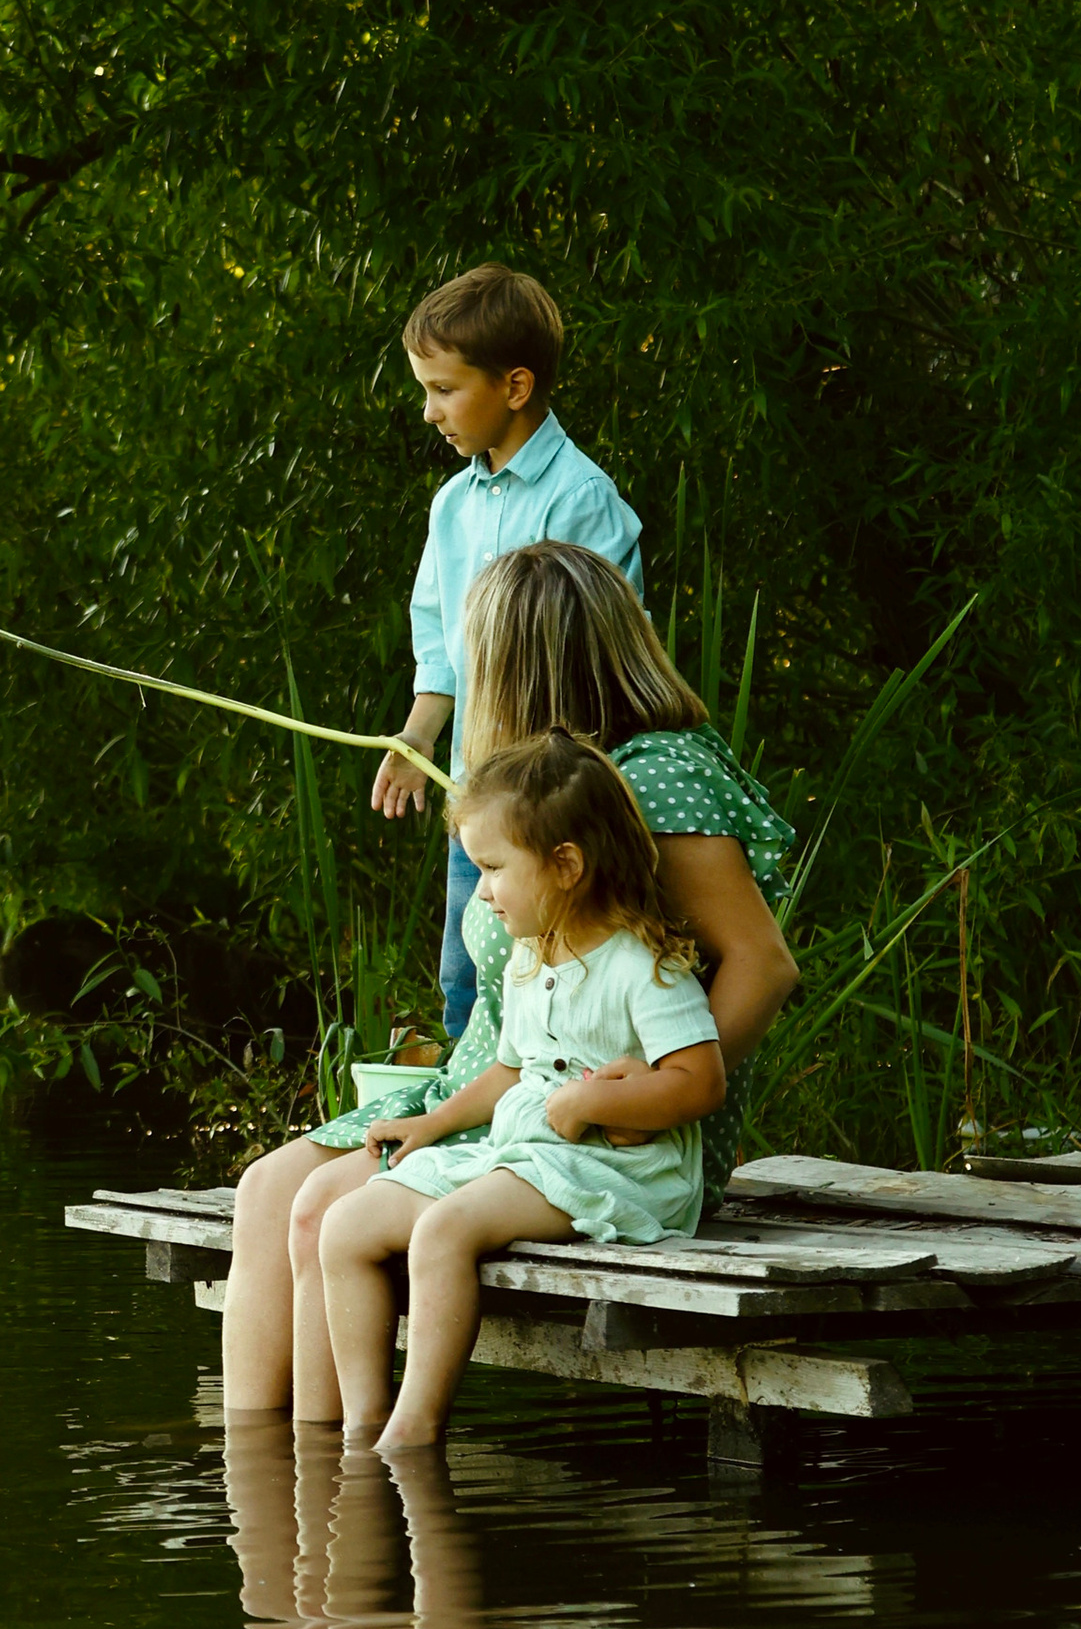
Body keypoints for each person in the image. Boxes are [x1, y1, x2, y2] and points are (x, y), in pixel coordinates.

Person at [220, 540, 796, 1419]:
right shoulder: (533, 784)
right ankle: (266, 1478)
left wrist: (653, 1099)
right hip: (495, 1087)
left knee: (317, 1211)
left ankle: (344, 1471)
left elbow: (762, 963)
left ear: (521, 665)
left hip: (595, 1129)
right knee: (268, 1190)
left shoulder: (644, 779)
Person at [318, 732, 727, 1447]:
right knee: (346, 1225)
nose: (482, 891)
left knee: (444, 1230)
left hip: (618, 1167)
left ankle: (413, 1432)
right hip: (526, 1152)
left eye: (493, 869)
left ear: (565, 865)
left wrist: (594, 1102)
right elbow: (509, 1071)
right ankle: (362, 1424)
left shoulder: (644, 969)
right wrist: (432, 1126)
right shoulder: (529, 959)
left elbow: (701, 1083)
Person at [373, 266, 644, 1050]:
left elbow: (602, 650)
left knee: (553, 982)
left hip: (556, 807)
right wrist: (418, 735)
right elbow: (440, 636)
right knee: (466, 982)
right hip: (478, 799)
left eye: (444, 390)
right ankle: (473, 1113)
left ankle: (546, 1112)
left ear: (515, 386)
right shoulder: (452, 506)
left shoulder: (581, 499)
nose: (429, 411)